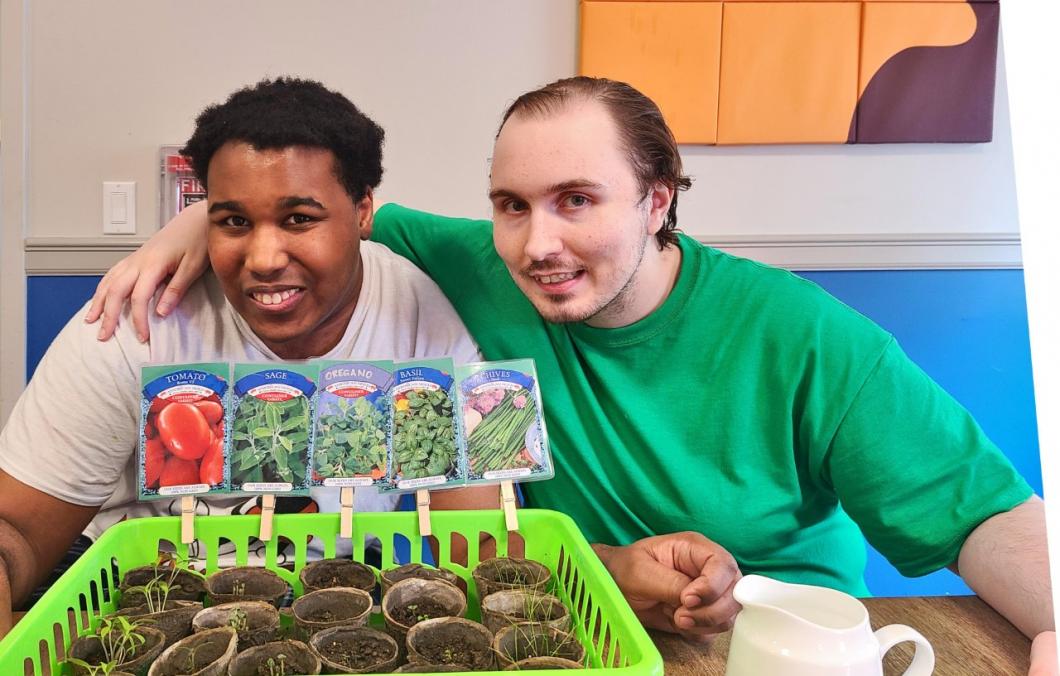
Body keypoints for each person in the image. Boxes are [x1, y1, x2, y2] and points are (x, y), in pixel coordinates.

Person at [87, 77, 1055, 662]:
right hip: (559, 624)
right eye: (510, 203)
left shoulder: (806, 336)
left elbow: (980, 513)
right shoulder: (472, 257)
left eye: (576, 200)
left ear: (657, 200)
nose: (536, 242)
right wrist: (189, 221)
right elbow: (313, 211)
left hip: (751, 642)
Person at [0, 77, 484, 638]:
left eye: (299, 219)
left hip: (335, 600)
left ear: (362, 211)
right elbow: (14, 529)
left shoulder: (422, 317)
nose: (263, 257)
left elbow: (472, 531)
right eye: (234, 222)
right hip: (142, 597)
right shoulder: (135, 325)